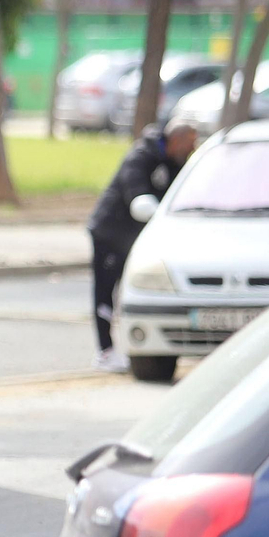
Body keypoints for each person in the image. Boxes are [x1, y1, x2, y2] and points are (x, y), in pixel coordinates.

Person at [86, 119, 199, 372]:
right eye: (190, 144)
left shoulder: (175, 162)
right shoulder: (141, 157)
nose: (193, 149)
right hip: (110, 232)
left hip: (137, 238)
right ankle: (105, 351)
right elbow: (136, 195)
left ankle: (136, 345)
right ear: (176, 141)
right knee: (105, 291)